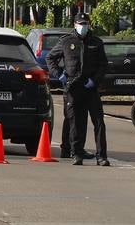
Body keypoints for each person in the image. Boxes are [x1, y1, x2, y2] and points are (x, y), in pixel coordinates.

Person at [46, 13, 109, 165]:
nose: (83, 26)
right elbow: (50, 58)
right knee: (74, 122)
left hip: (90, 87)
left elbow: (103, 65)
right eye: (81, 24)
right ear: (75, 25)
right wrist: (60, 76)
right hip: (73, 87)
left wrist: (94, 80)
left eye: (86, 23)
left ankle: (101, 156)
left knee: (99, 122)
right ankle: (76, 153)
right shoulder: (67, 41)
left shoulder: (96, 42)